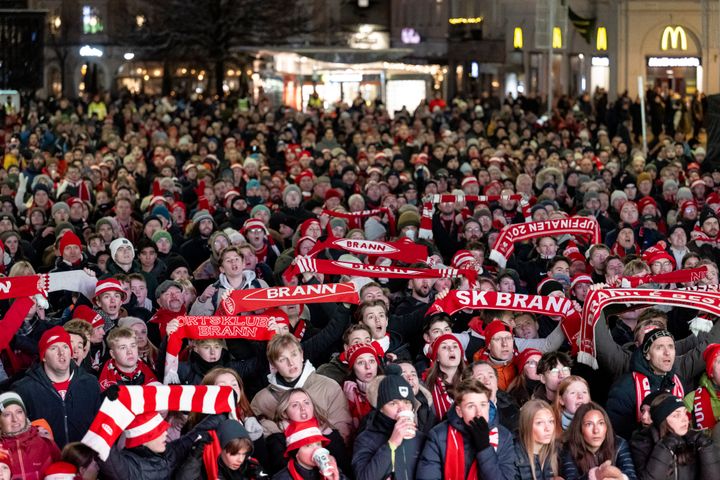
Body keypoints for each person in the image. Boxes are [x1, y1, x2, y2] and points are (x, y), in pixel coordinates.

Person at [250, 334, 352, 442]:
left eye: (294, 355)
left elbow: (343, 433)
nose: (291, 363)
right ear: (273, 365)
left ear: (302, 355)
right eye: (282, 359)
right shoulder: (261, 400)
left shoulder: (329, 387)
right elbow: (254, 440)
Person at [12, 326, 102, 448]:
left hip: (85, 460)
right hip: (46, 461)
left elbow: (100, 426)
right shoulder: (24, 390)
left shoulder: (90, 383)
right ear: (43, 357)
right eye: (54, 348)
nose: (61, 352)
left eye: (65, 346)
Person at [416, 378, 515, 480]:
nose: (479, 413)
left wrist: (485, 448)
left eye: (483, 405)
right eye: (471, 406)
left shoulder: (503, 436)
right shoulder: (439, 435)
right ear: (459, 411)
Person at [352, 364, 424, 480]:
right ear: (381, 408)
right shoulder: (366, 439)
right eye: (393, 403)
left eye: (406, 402)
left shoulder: (421, 438)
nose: (402, 409)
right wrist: (392, 444)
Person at [630, 393, 719, 479]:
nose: (684, 419)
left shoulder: (695, 441)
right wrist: (665, 447)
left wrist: (706, 448)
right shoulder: (641, 443)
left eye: (685, 413)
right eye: (676, 415)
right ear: (662, 421)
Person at [561, 402, 637, 480]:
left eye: (601, 423)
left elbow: (631, 476)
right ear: (579, 428)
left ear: (606, 426)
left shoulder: (619, 444)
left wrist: (620, 477)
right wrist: (595, 475)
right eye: (589, 424)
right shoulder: (569, 448)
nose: (596, 430)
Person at [176, 418, 266, 480]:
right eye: (234, 454)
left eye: (244, 454)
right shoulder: (206, 468)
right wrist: (193, 459)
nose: (240, 460)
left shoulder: (250, 467)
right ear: (221, 448)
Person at [0, 391, 61, 478]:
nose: (15, 419)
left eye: (19, 412)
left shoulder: (46, 443)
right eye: (7, 415)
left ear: (25, 415)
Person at [273, 418, 348, 480]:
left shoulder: (331, 468)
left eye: (318, 444)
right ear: (296, 453)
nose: (316, 449)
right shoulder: (282, 478)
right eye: (308, 445)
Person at [514, 399, 560, 480]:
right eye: (540, 423)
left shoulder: (558, 449)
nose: (548, 428)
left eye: (551, 421)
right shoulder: (513, 454)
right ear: (526, 425)